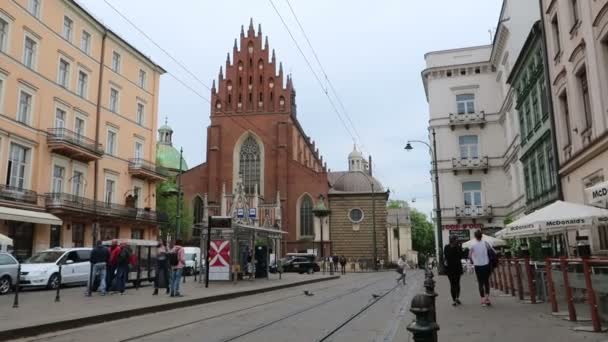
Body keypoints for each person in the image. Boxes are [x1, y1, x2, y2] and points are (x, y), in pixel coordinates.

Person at [469, 230, 494, 306]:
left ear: (475, 237)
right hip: (486, 264)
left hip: (478, 266)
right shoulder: (486, 243)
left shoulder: (473, 245)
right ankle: (487, 299)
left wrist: (473, 260)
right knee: (486, 282)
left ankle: (482, 300)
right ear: (481, 236)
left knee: (480, 282)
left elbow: (469, 256)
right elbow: (491, 252)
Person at [444, 235, 465, 306]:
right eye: (456, 239)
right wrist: (455, 247)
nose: (457, 241)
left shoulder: (458, 247)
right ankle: (454, 299)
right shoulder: (446, 247)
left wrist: (461, 248)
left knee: (457, 283)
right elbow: (447, 256)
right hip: (450, 269)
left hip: (458, 268)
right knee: (452, 284)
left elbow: (461, 256)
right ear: (453, 240)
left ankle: (457, 298)